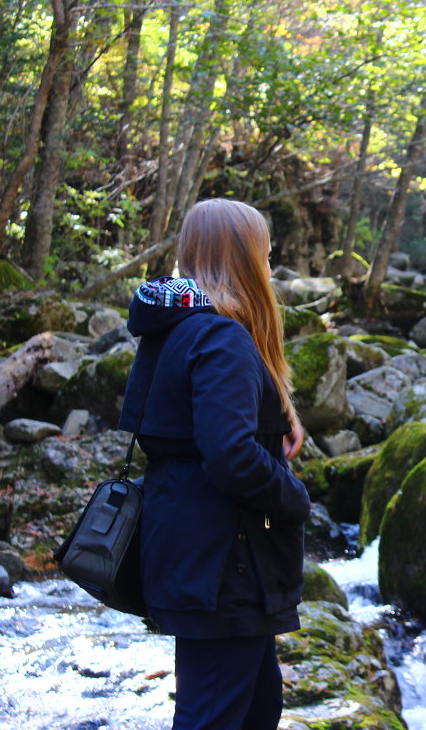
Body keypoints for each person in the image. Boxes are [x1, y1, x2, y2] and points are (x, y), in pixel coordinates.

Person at [118, 198, 310, 730]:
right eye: (265, 256)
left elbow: (188, 427)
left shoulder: (179, 326)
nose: (270, 268)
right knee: (215, 716)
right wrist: (294, 498)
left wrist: (279, 417)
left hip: (196, 551)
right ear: (246, 260)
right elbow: (229, 455)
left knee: (256, 706)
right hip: (224, 566)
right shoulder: (222, 336)